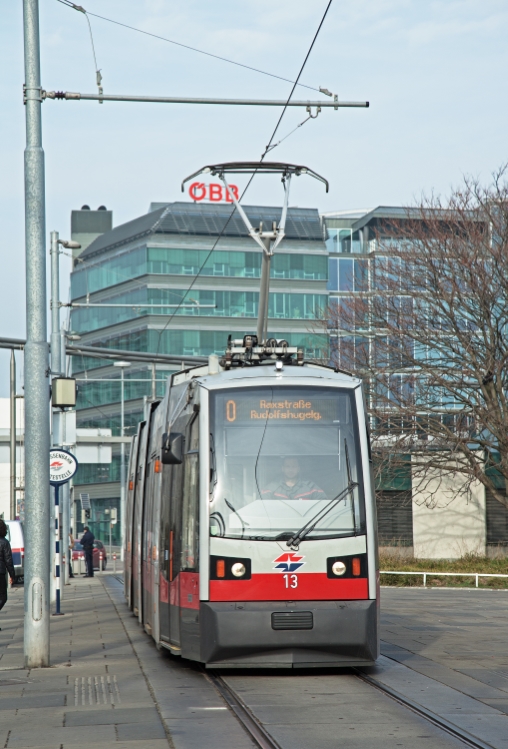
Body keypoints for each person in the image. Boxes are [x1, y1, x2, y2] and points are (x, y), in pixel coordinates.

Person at [262, 457, 327, 501]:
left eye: (294, 466)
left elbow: (324, 505)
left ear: (298, 469)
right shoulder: (271, 489)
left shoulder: (311, 488)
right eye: (288, 466)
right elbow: (262, 508)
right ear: (283, 469)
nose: (291, 470)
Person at [0, 520, 15, 629]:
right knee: (3, 597)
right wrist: (12, 575)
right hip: (0, 573)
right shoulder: (4, 542)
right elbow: (8, 560)